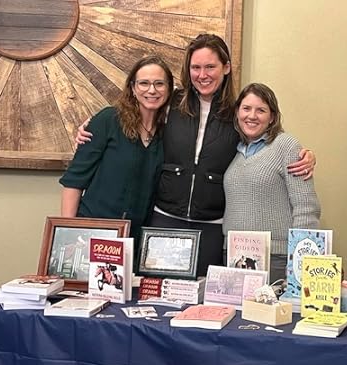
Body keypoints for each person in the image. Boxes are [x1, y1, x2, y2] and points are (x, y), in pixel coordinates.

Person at [76, 34, 316, 277]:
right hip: (164, 220)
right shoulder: (170, 101)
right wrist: (89, 127)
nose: (203, 75)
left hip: (211, 228)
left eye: (210, 67)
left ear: (226, 68)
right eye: (196, 67)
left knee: (202, 304)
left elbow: (264, 140)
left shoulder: (237, 112)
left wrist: (304, 155)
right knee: (157, 296)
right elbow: (136, 113)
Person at [60, 55, 174, 241]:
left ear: (169, 89)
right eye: (144, 83)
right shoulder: (108, 120)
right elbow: (74, 181)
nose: (151, 90)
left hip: (135, 239)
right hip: (93, 233)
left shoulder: (167, 133)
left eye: (159, 84)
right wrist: (67, 233)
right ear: (132, 87)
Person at [223, 83, 321, 282]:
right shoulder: (234, 151)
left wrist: (299, 260)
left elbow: (306, 207)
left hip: (276, 259)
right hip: (234, 257)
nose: (252, 116)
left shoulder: (286, 146)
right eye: (246, 108)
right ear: (237, 112)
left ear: (272, 117)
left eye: (261, 110)